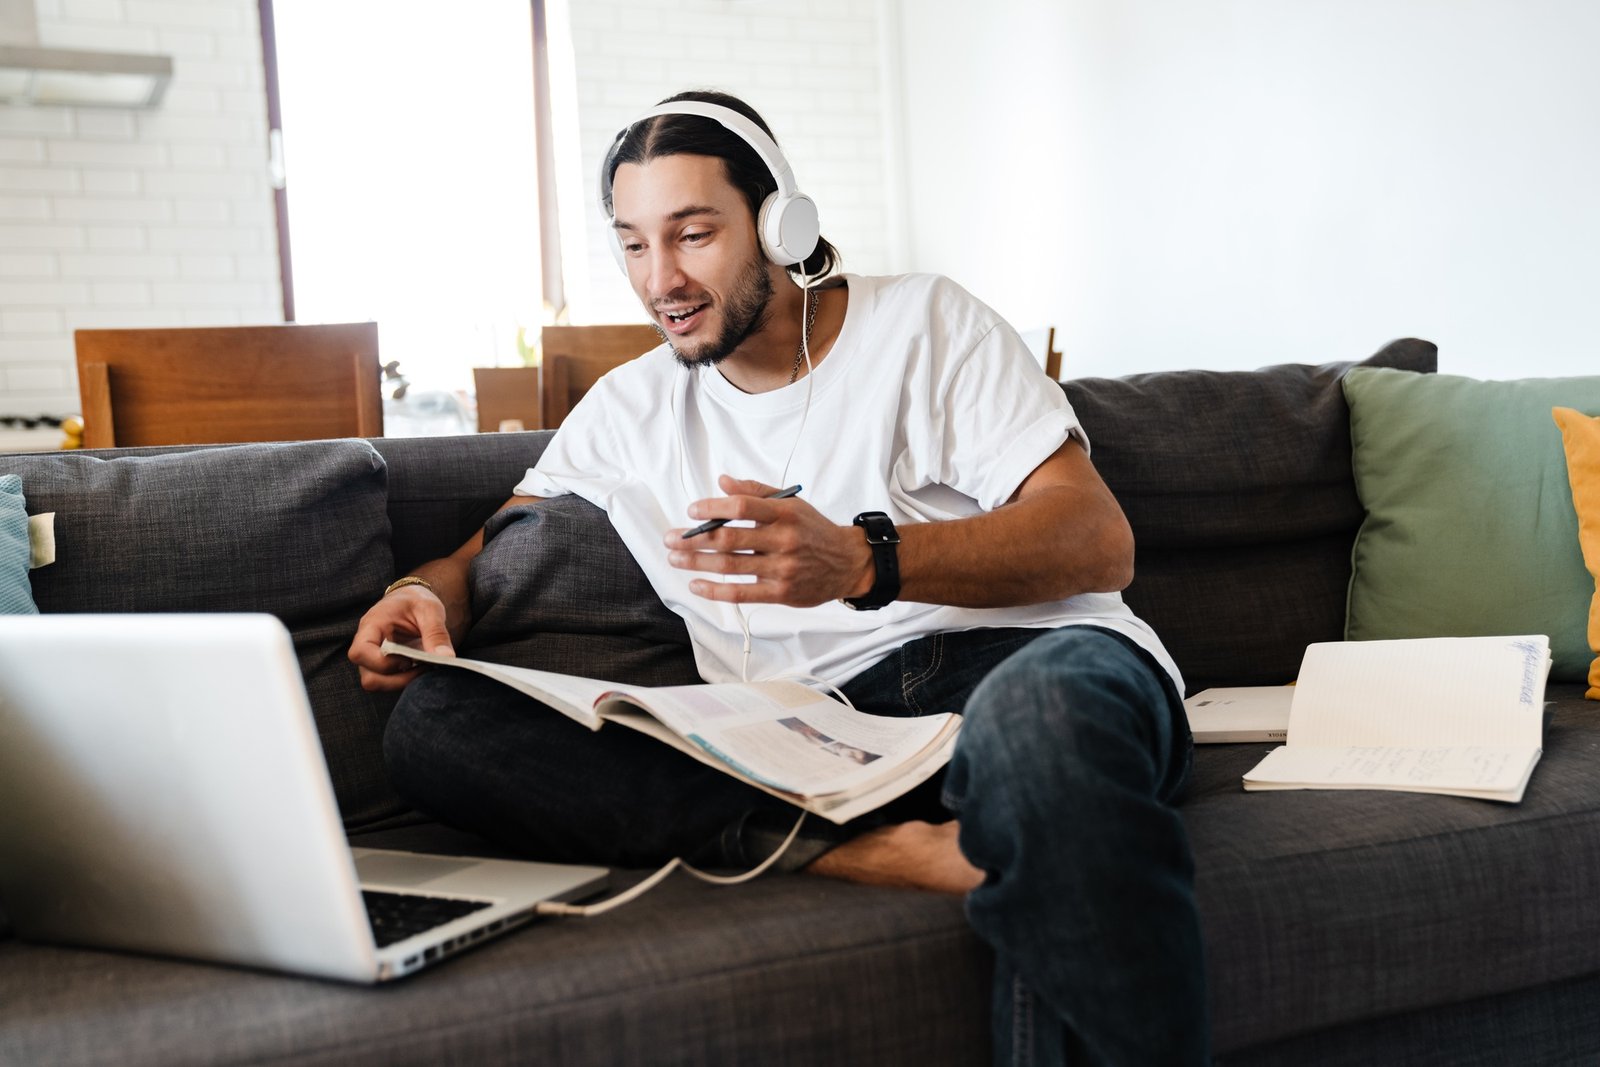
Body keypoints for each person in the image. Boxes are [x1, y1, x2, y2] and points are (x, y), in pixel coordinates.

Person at [348, 89, 1208, 1064]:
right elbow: (477, 550)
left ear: (777, 221)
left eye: (691, 234)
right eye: (632, 244)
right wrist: (416, 595)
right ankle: (848, 847)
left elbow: (1096, 539)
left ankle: (893, 827)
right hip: (811, 737)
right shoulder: (628, 405)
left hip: (1038, 668)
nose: (660, 279)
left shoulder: (926, 323)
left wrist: (863, 558)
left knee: (1042, 729)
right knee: (436, 724)